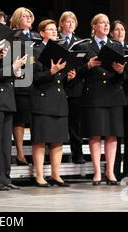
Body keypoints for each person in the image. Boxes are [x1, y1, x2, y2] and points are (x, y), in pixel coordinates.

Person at [78, 13, 126, 185]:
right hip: (94, 94)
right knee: (95, 134)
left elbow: (124, 74)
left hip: (113, 93)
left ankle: (111, 172)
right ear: (94, 26)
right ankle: (97, 172)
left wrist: (121, 71)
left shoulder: (116, 45)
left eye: (107, 23)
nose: (106, 26)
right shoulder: (86, 46)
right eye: (102, 23)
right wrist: (88, 65)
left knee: (112, 135)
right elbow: (77, 72)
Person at [0, 10, 27, 191]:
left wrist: (16, 72)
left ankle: (5, 177)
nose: (5, 27)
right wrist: (13, 67)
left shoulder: (6, 44)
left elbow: (5, 72)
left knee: (4, 142)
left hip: (7, 97)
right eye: (1, 23)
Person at [31, 20, 75, 187]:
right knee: (40, 139)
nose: (54, 31)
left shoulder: (61, 51)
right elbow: (35, 77)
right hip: (42, 99)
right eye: (49, 29)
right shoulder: (35, 50)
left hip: (58, 98)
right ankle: (40, 176)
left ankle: (56, 175)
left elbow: (60, 79)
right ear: (41, 33)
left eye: (54, 29)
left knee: (58, 139)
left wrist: (68, 77)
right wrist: (51, 72)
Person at [9, 7, 41, 166]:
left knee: (36, 119)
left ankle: (38, 156)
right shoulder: (13, 36)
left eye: (30, 15)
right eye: (24, 16)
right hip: (21, 81)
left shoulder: (36, 36)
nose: (28, 18)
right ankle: (20, 154)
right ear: (16, 19)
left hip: (37, 82)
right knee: (20, 120)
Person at [110, 20, 128, 181]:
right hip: (115, 96)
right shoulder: (109, 49)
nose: (121, 32)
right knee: (116, 136)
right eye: (117, 30)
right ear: (111, 33)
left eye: (123, 29)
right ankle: (113, 171)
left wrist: (124, 72)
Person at [58, 11, 86, 164]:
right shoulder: (55, 41)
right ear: (61, 24)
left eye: (72, 22)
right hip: (59, 85)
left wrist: (76, 72)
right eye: (67, 21)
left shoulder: (80, 42)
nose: (70, 24)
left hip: (75, 86)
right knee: (59, 123)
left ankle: (78, 154)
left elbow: (84, 65)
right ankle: (56, 156)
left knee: (75, 123)